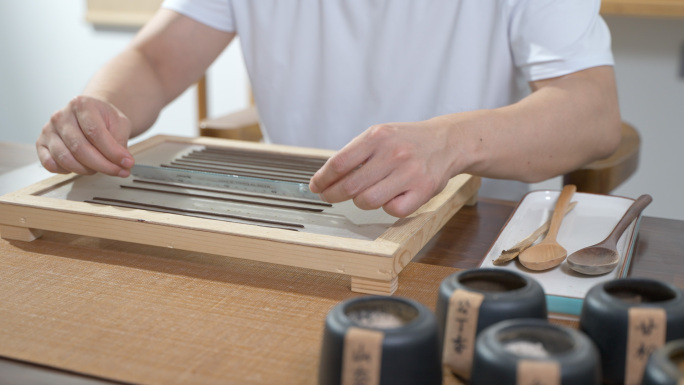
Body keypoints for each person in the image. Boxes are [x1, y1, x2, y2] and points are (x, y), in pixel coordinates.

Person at [36, 0, 621, 218]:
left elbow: (592, 113)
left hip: (458, 236)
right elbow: (158, 59)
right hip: (290, 222)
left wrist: (449, 143)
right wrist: (103, 109)